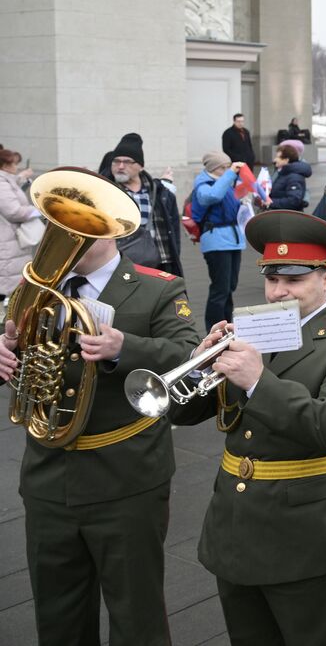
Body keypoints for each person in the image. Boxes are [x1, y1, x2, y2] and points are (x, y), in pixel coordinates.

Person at [170, 211, 326, 645]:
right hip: (234, 520)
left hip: (302, 530)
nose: (278, 291)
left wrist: (257, 381)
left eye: (294, 280)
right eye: (271, 279)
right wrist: (198, 367)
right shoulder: (254, 330)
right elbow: (183, 414)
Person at [1, 209, 200, 646]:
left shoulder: (156, 288)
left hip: (125, 475)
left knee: (135, 613)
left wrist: (123, 347)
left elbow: (189, 356)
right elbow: (10, 337)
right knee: (57, 612)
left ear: (108, 231)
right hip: (48, 474)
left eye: (73, 229)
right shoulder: (36, 288)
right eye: (55, 226)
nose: (58, 237)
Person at [103, 134, 183, 277]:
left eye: (127, 162)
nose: (120, 166)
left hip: (160, 263)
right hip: (119, 265)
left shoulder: (159, 192)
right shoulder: (106, 191)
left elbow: (174, 229)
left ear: (140, 166)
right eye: (116, 161)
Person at [192, 152, 247, 329]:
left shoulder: (225, 183)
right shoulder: (203, 184)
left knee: (229, 286)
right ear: (214, 168)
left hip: (232, 239)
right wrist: (231, 173)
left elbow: (232, 205)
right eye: (224, 167)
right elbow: (211, 197)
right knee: (220, 288)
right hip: (216, 241)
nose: (228, 170)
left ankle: (227, 324)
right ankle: (213, 328)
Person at [0, 148, 40, 297]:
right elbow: (14, 211)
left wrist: (21, 177)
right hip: (7, 242)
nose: (17, 167)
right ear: (5, 165)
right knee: (9, 283)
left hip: (10, 241)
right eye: (15, 164)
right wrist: (37, 211)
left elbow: (12, 185)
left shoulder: (5, 179)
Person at [267, 142, 312, 211]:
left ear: (286, 160)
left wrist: (271, 202)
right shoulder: (282, 173)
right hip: (280, 214)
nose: (274, 160)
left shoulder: (294, 177)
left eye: (278, 157)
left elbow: (293, 201)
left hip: (287, 217)